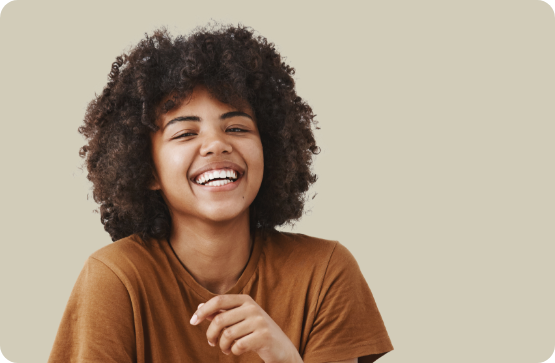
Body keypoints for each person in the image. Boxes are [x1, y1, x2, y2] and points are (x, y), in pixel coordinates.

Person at [47, 23, 394, 363]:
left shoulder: (325, 272)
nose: (216, 144)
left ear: (269, 148)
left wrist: (285, 359)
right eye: (185, 133)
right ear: (148, 169)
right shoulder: (115, 279)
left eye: (237, 127)